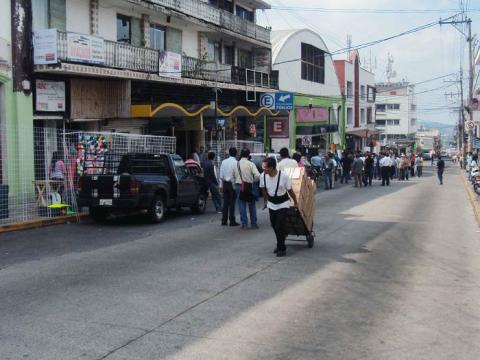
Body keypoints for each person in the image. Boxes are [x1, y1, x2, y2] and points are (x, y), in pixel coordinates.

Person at [260, 157, 298, 257]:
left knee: (279, 224)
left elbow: (290, 190)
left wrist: (295, 201)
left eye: (265, 168)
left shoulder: (283, 176)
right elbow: (263, 189)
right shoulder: (262, 176)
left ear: (272, 168)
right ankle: (281, 240)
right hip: (272, 203)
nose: (263, 170)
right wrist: (265, 202)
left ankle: (281, 248)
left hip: (283, 202)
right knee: (274, 225)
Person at [236, 148, 260, 229]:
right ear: (248, 155)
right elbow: (257, 175)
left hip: (239, 186)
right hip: (249, 185)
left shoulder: (237, 164)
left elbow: (232, 176)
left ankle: (244, 223)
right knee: (251, 205)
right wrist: (253, 181)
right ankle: (253, 223)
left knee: (241, 205)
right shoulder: (251, 164)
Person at [219, 147, 240, 226]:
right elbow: (237, 175)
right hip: (232, 184)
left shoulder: (224, 162)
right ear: (236, 153)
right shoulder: (236, 163)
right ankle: (232, 220)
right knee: (232, 203)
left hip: (225, 183)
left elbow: (221, 174)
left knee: (225, 202)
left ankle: (224, 220)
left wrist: (221, 185)